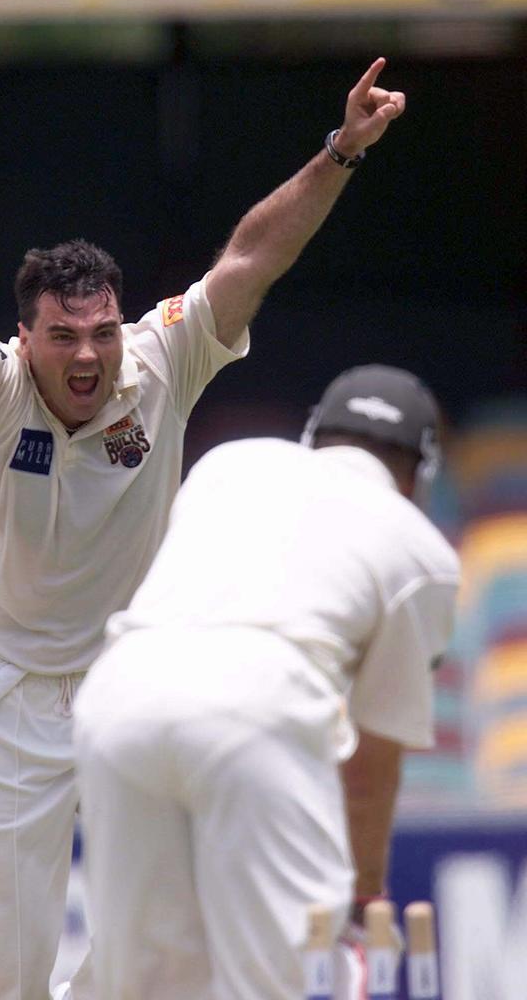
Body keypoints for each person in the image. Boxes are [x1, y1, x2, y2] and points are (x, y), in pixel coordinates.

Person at [0, 58, 405, 1000]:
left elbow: (252, 257)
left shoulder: (159, 362)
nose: (89, 356)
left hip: (134, 675)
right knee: (1, 980)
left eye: (103, 332)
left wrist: (341, 152)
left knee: (160, 957)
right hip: (2, 693)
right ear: (26, 339)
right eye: (65, 336)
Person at [73, 364, 461, 1000]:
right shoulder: (424, 553)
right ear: (420, 475)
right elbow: (370, 761)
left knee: (146, 987)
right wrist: (363, 895)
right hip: (262, 702)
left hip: (117, 697)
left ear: (314, 436)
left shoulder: (229, 463)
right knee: (281, 984)